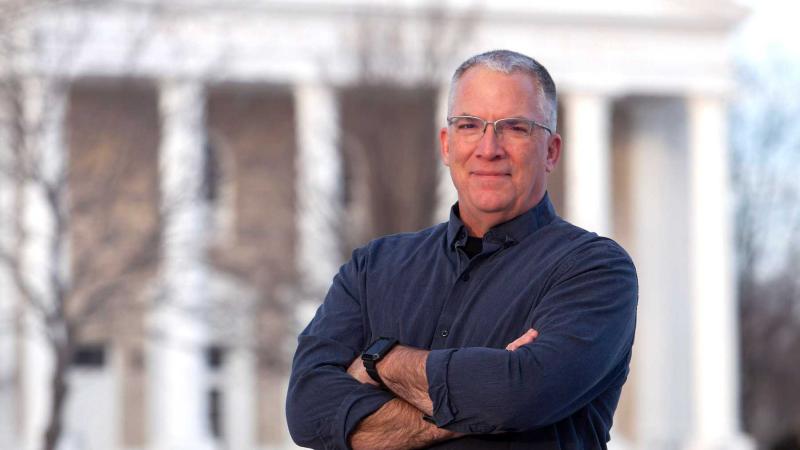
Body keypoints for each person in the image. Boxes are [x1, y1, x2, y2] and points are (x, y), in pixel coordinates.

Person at [286, 49, 638, 450]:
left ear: (552, 151)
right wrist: (482, 400)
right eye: (470, 125)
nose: (489, 148)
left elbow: (517, 395)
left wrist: (380, 361)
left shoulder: (595, 270)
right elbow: (308, 411)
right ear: (447, 144)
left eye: (515, 128)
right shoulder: (373, 268)